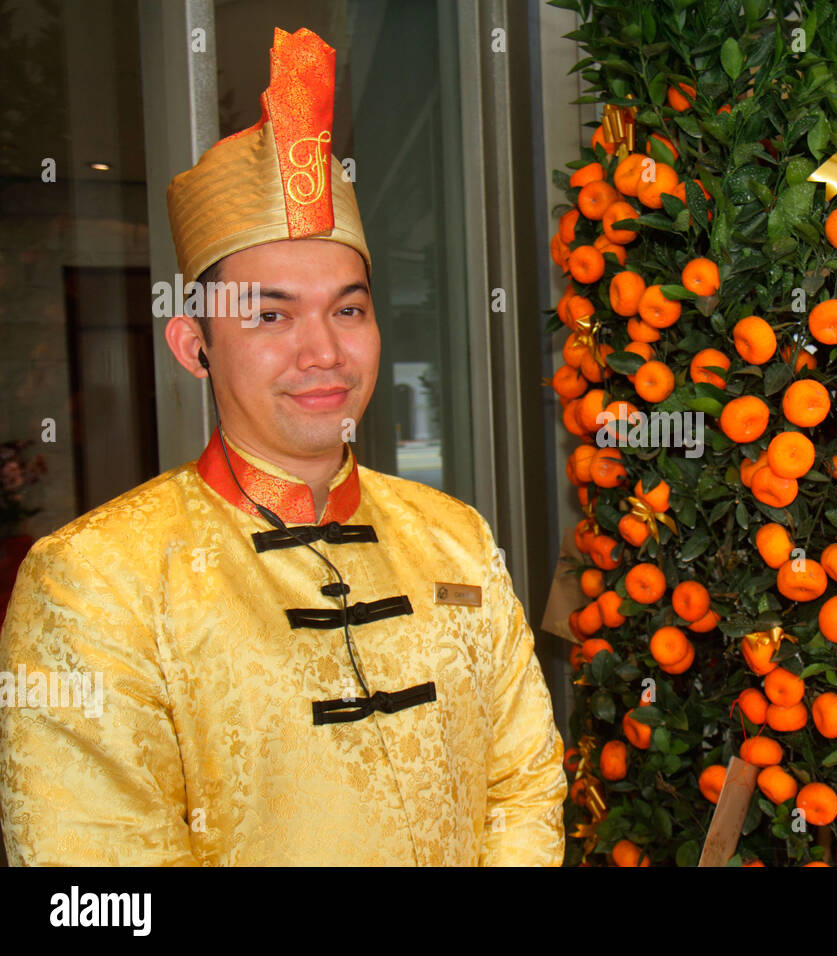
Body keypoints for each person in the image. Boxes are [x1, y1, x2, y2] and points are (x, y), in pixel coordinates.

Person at [0, 27, 566, 865]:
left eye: (348, 308)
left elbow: (523, 782)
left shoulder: (456, 537)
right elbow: (92, 872)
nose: (324, 353)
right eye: (269, 315)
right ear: (193, 345)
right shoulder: (95, 579)